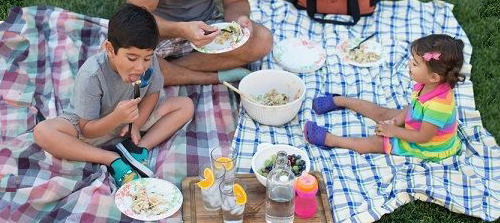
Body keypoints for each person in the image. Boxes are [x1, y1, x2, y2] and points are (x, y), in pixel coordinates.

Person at [33, 3, 194, 187]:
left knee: (185, 105)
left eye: (147, 58)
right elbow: (86, 129)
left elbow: (153, 93)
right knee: (43, 132)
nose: (140, 67)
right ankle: (111, 159)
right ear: (110, 49)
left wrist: (136, 125)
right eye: (131, 58)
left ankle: (137, 149)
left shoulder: (149, 62)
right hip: (92, 127)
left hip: (128, 125)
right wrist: (116, 117)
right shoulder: (92, 75)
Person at [304, 34, 464, 162]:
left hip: (428, 146)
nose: (409, 64)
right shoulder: (427, 84)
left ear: (434, 77)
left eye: (415, 64)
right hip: (416, 123)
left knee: (377, 142)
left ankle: (330, 140)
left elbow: (423, 137)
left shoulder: (439, 105)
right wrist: (395, 121)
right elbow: (412, 107)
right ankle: (339, 100)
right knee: (383, 114)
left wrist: (393, 131)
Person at [128, 0, 273, 86]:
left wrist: (239, 19)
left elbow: (235, 3)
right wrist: (180, 29)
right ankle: (212, 77)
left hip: (208, 24)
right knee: (126, 62)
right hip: (159, 30)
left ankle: (165, 72)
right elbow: (136, 15)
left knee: (262, 41)